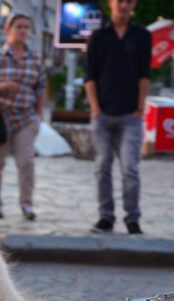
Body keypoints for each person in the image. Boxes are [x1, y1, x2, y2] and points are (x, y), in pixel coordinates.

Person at [85, 0, 150, 235]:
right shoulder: (98, 36)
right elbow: (90, 75)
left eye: (129, 1)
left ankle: (132, 218)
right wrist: (95, 109)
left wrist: (140, 108)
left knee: (130, 167)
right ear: (111, 3)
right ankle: (106, 217)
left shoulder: (142, 36)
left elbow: (145, 74)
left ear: (134, 5)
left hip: (130, 115)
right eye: (119, 0)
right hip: (103, 114)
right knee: (102, 166)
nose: (123, 5)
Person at [0, 12, 46, 221]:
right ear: (8, 30)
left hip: (25, 117)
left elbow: (40, 87)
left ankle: (27, 204)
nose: (23, 31)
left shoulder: (34, 58)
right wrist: (4, 86)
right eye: (19, 27)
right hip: (1, 117)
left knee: (26, 162)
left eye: (26, 27)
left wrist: (38, 115)